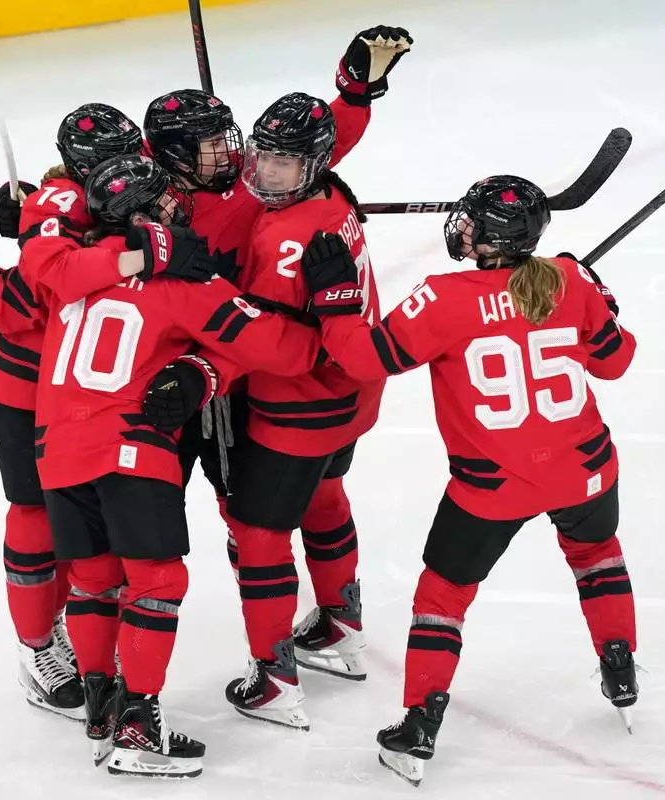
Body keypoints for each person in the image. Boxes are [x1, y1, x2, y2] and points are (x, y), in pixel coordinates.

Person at [297, 175, 639, 786]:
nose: (463, 229)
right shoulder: (568, 280)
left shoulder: (447, 298)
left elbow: (360, 357)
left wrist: (335, 299)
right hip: (585, 469)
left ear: (488, 238)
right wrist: (602, 302)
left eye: (473, 223)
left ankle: (420, 723)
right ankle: (620, 662)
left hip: (493, 487)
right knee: (596, 554)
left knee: (442, 596)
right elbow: (616, 361)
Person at [29, 154, 326, 777]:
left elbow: (38, 268)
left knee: (91, 581)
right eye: (163, 201)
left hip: (56, 452)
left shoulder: (68, 273)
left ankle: (103, 713)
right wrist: (322, 310)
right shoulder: (186, 286)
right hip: (130, 448)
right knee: (157, 585)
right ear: (141, 215)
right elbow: (283, 350)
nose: (176, 206)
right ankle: (140, 729)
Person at [142, 92, 386, 732]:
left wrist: (204, 369)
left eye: (283, 162)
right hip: (351, 400)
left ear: (312, 163)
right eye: (263, 155)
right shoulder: (333, 196)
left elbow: (268, 342)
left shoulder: (283, 237)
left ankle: (275, 680)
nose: (264, 172)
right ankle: (341, 625)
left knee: (257, 536)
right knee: (325, 497)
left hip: (298, 408)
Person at [139, 23, 413, 561]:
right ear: (174, 157)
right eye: (213, 146)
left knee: (244, 505)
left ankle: (273, 591)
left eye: (228, 140)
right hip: (166, 371)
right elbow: (90, 205)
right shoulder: (148, 199)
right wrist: (35, 214)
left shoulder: (251, 178)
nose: (234, 155)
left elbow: (320, 139)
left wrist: (354, 90)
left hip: (233, 371)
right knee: (142, 517)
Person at [0, 103, 144, 720]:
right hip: (24, 386)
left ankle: (92, 635)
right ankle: (38, 647)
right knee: (37, 516)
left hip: (92, 391)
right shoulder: (57, 207)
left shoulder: (135, 192)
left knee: (97, 520)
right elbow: (28, 302)